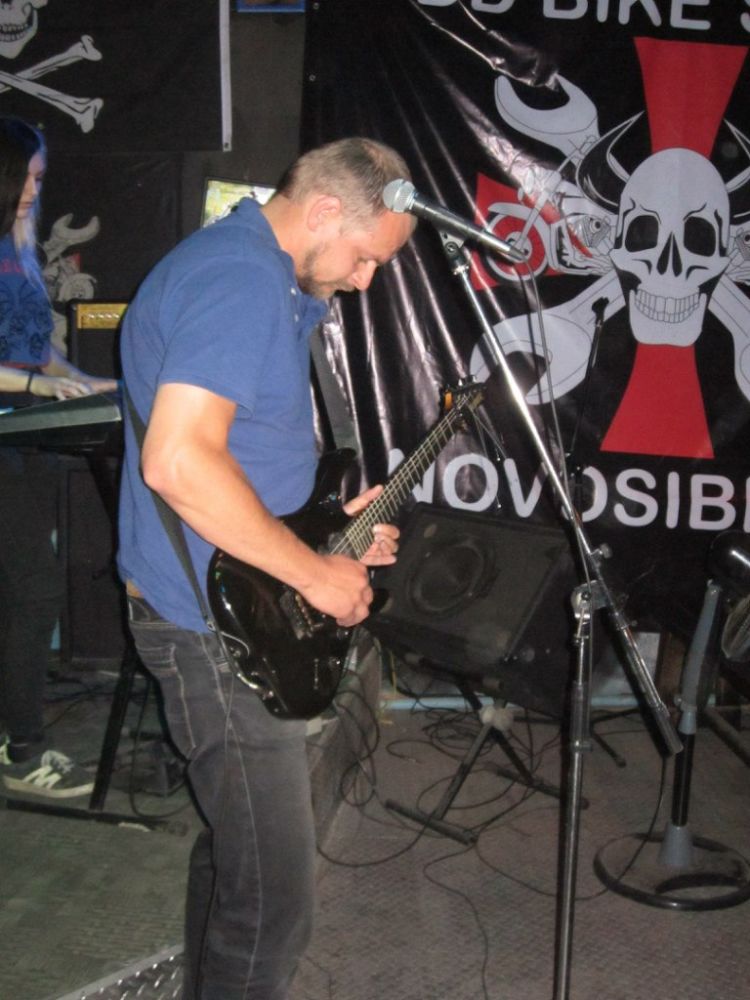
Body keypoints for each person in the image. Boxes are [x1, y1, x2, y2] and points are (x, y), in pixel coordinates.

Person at [117, 136, 414, 1000]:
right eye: (365, 257)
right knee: (274, 902)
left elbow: (240, 459)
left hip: (235, 602)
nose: (365, 280)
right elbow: (178, 461)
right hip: (212, 630)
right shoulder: (240, 277)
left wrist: (326, 538)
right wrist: (316, 578)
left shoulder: (269, 278)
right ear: (322, 211)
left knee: (238, 856)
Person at [0, 117, 118, 798]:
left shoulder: (16, 248)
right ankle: (23, 752)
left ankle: (11, 737)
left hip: (25, 438)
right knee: (34, 589)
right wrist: (34, 386)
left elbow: (34, 348)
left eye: (39, 178)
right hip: (8, 432)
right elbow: (22, 371)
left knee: (18, 591)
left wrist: (85, 382)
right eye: (27, 176)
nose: (34, 189)